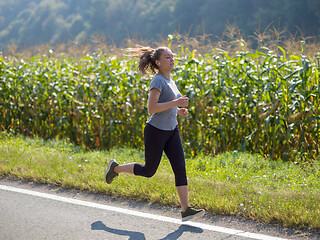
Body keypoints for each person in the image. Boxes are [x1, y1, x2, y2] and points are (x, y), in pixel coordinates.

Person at [104, 46, 205, 222]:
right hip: (156, 132)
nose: (172, 59)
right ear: (158, 62)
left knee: (180, 168)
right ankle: (115, 168)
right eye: (168, 57)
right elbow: (152, 108)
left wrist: (178, 110)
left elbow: (167, 106)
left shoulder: (170, 81)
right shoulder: (158, 81)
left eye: (173, 57)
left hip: (172, 130)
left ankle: (186, 210)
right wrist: (175, 102)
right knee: (149, 171)